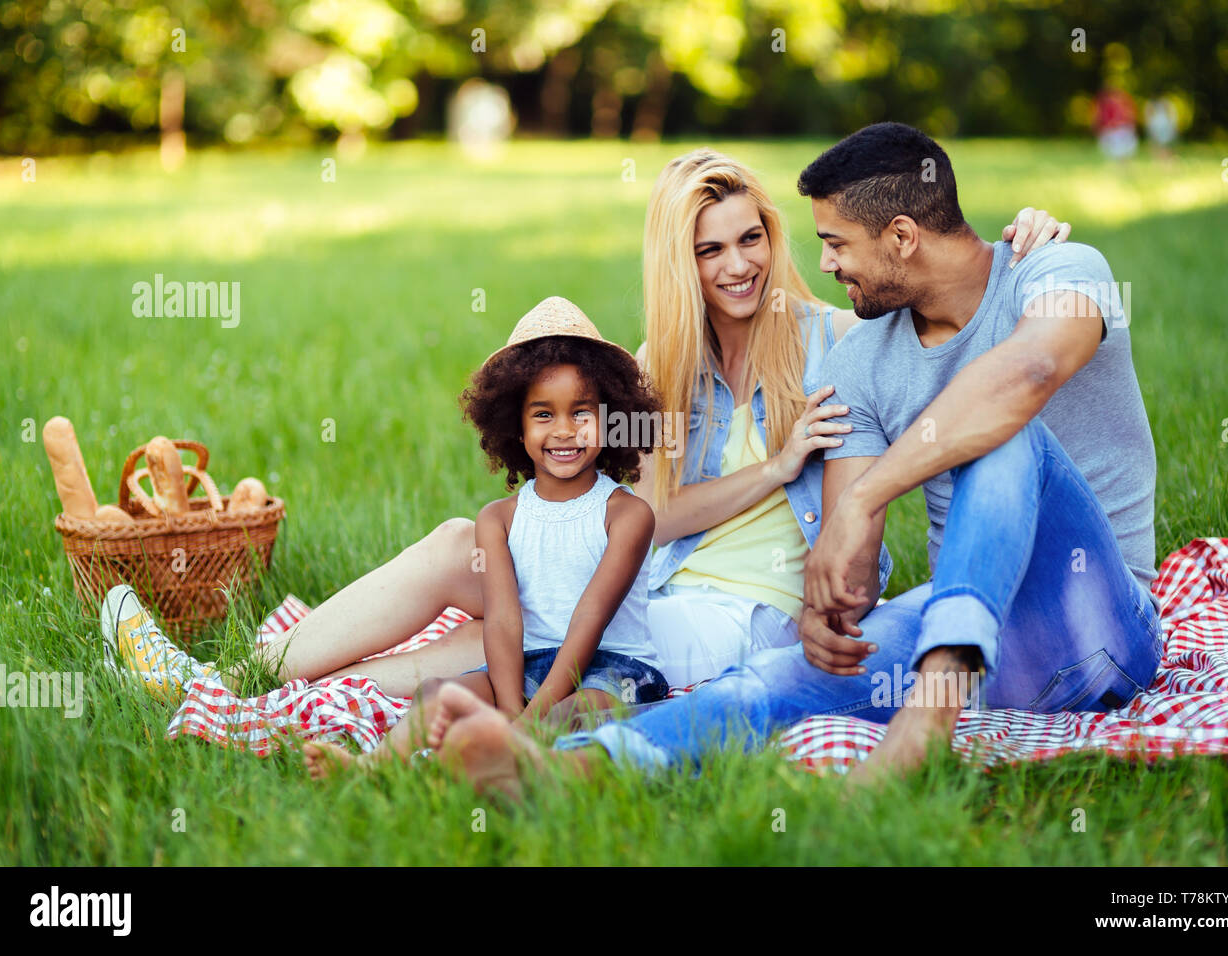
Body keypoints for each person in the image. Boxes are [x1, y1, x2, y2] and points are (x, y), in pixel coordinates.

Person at [100, 150, 1069, 711]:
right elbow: (656, 513)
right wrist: (776, 465)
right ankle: (240, 684)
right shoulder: (661, 368)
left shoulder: (835, 343)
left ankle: (235, 686)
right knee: (480, 586)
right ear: (676, 262)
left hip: (750, 614)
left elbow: (945, 331)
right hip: (660, 579)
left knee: (495, 633)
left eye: (751, 237)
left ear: (774, 236)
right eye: (707, 248)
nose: (737, 264)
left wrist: (1016, 242)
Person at [424, 122, 1162, 796]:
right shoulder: (865, 357)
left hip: (1098, 621)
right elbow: (854, 560)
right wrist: (827, 610)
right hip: (966, 633)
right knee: (768, 680)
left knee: (1011, 432)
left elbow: (1027, 375)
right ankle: (571, 769)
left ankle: (925, 727)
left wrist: (872, 496)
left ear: (901, 235)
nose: (823, 262)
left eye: (837, 243)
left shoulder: (1060, 269)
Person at [300, 297, 668, 777]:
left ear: (611, 415)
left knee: (570, 712)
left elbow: (589, 619)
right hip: (528, 664)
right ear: (513, 424)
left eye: (581, 412)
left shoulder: (627, 514)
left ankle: (509, 758)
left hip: (614, 670)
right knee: (438, 694)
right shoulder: (498, 519)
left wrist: (529, 719)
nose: (564, 431)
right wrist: (510, 703)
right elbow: (501, 623)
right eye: (543, 415)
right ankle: (372, 770)